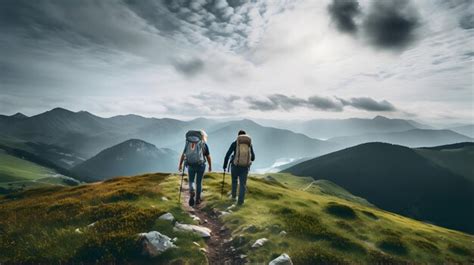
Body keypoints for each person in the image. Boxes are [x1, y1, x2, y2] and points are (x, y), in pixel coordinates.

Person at [179, 130, 212, 206]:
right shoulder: (203, 144)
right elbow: (208, 156)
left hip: (191, 165)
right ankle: (197, 199)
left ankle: (191, 191)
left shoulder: (188, 143)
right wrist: (210, 166)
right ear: (202, 136)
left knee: (191, 181)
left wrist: (180, 164)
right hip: (201, 165)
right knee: (199, 182)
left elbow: (183, 154)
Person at [223, 130, 255, 205]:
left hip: (235, 166)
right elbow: (253, 158)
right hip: (245, 167)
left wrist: (224, 166)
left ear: (238, 136)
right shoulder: (249, 144)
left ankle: (233, 198)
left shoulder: (234, 143)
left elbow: (227, 155)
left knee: (234, 181)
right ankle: (240, 202)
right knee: (242, 184)